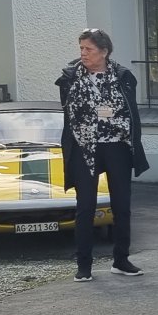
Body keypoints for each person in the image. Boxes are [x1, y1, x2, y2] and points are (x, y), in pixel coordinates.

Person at [56, 29, 149, 282]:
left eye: (89, 49)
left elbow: (129, 112)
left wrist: (103, 116)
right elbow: (70, 115)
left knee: (122, 205)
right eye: (81, 48)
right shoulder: (70, 78)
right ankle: (84, 265)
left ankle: (121, 260)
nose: (83, 53)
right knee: (85, 207)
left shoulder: (123, 76)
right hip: (84, 146)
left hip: (117, 145)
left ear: (104, 51)